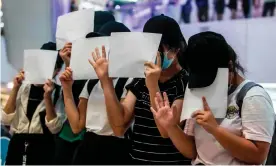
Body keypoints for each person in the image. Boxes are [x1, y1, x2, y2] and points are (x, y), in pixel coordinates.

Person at [151, 31, 275, 165]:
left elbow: (258, 155)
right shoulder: (197, 89)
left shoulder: (252, 97)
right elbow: (193, 151)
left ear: (230, 66)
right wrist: (172, 127)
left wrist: (216, 130)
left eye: (210, 78)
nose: (205, 85)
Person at [91, 15, 190, 164]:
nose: (153, 55)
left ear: (175, 49)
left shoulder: (185, 82)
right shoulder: (140, 79)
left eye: (158, 49)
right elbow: (119, 127)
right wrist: (106, 82)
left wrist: (153, 86)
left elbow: (165, 131)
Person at [59, 21, 132, 165]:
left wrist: (105, 80)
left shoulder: (129, 81)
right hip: (88, 148)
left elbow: (119, 128)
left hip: (116, 152)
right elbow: (77, 126)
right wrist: (67, 88)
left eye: (105, 43)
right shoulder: (92, 81)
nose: (99, 49)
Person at [53, 11, 115, 165]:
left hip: (106, 145)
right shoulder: (89, 75)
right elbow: (76, 122)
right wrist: (70, 64)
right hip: (79, 139)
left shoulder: (126, 80)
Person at [2, 42, 64, 165]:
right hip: (17, 144)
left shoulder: (58, 92)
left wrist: (47, 98)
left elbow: (55, 128)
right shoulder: (22, 87)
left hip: (43, 147)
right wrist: (15, 88)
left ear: (56, 70)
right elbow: (5, 119)